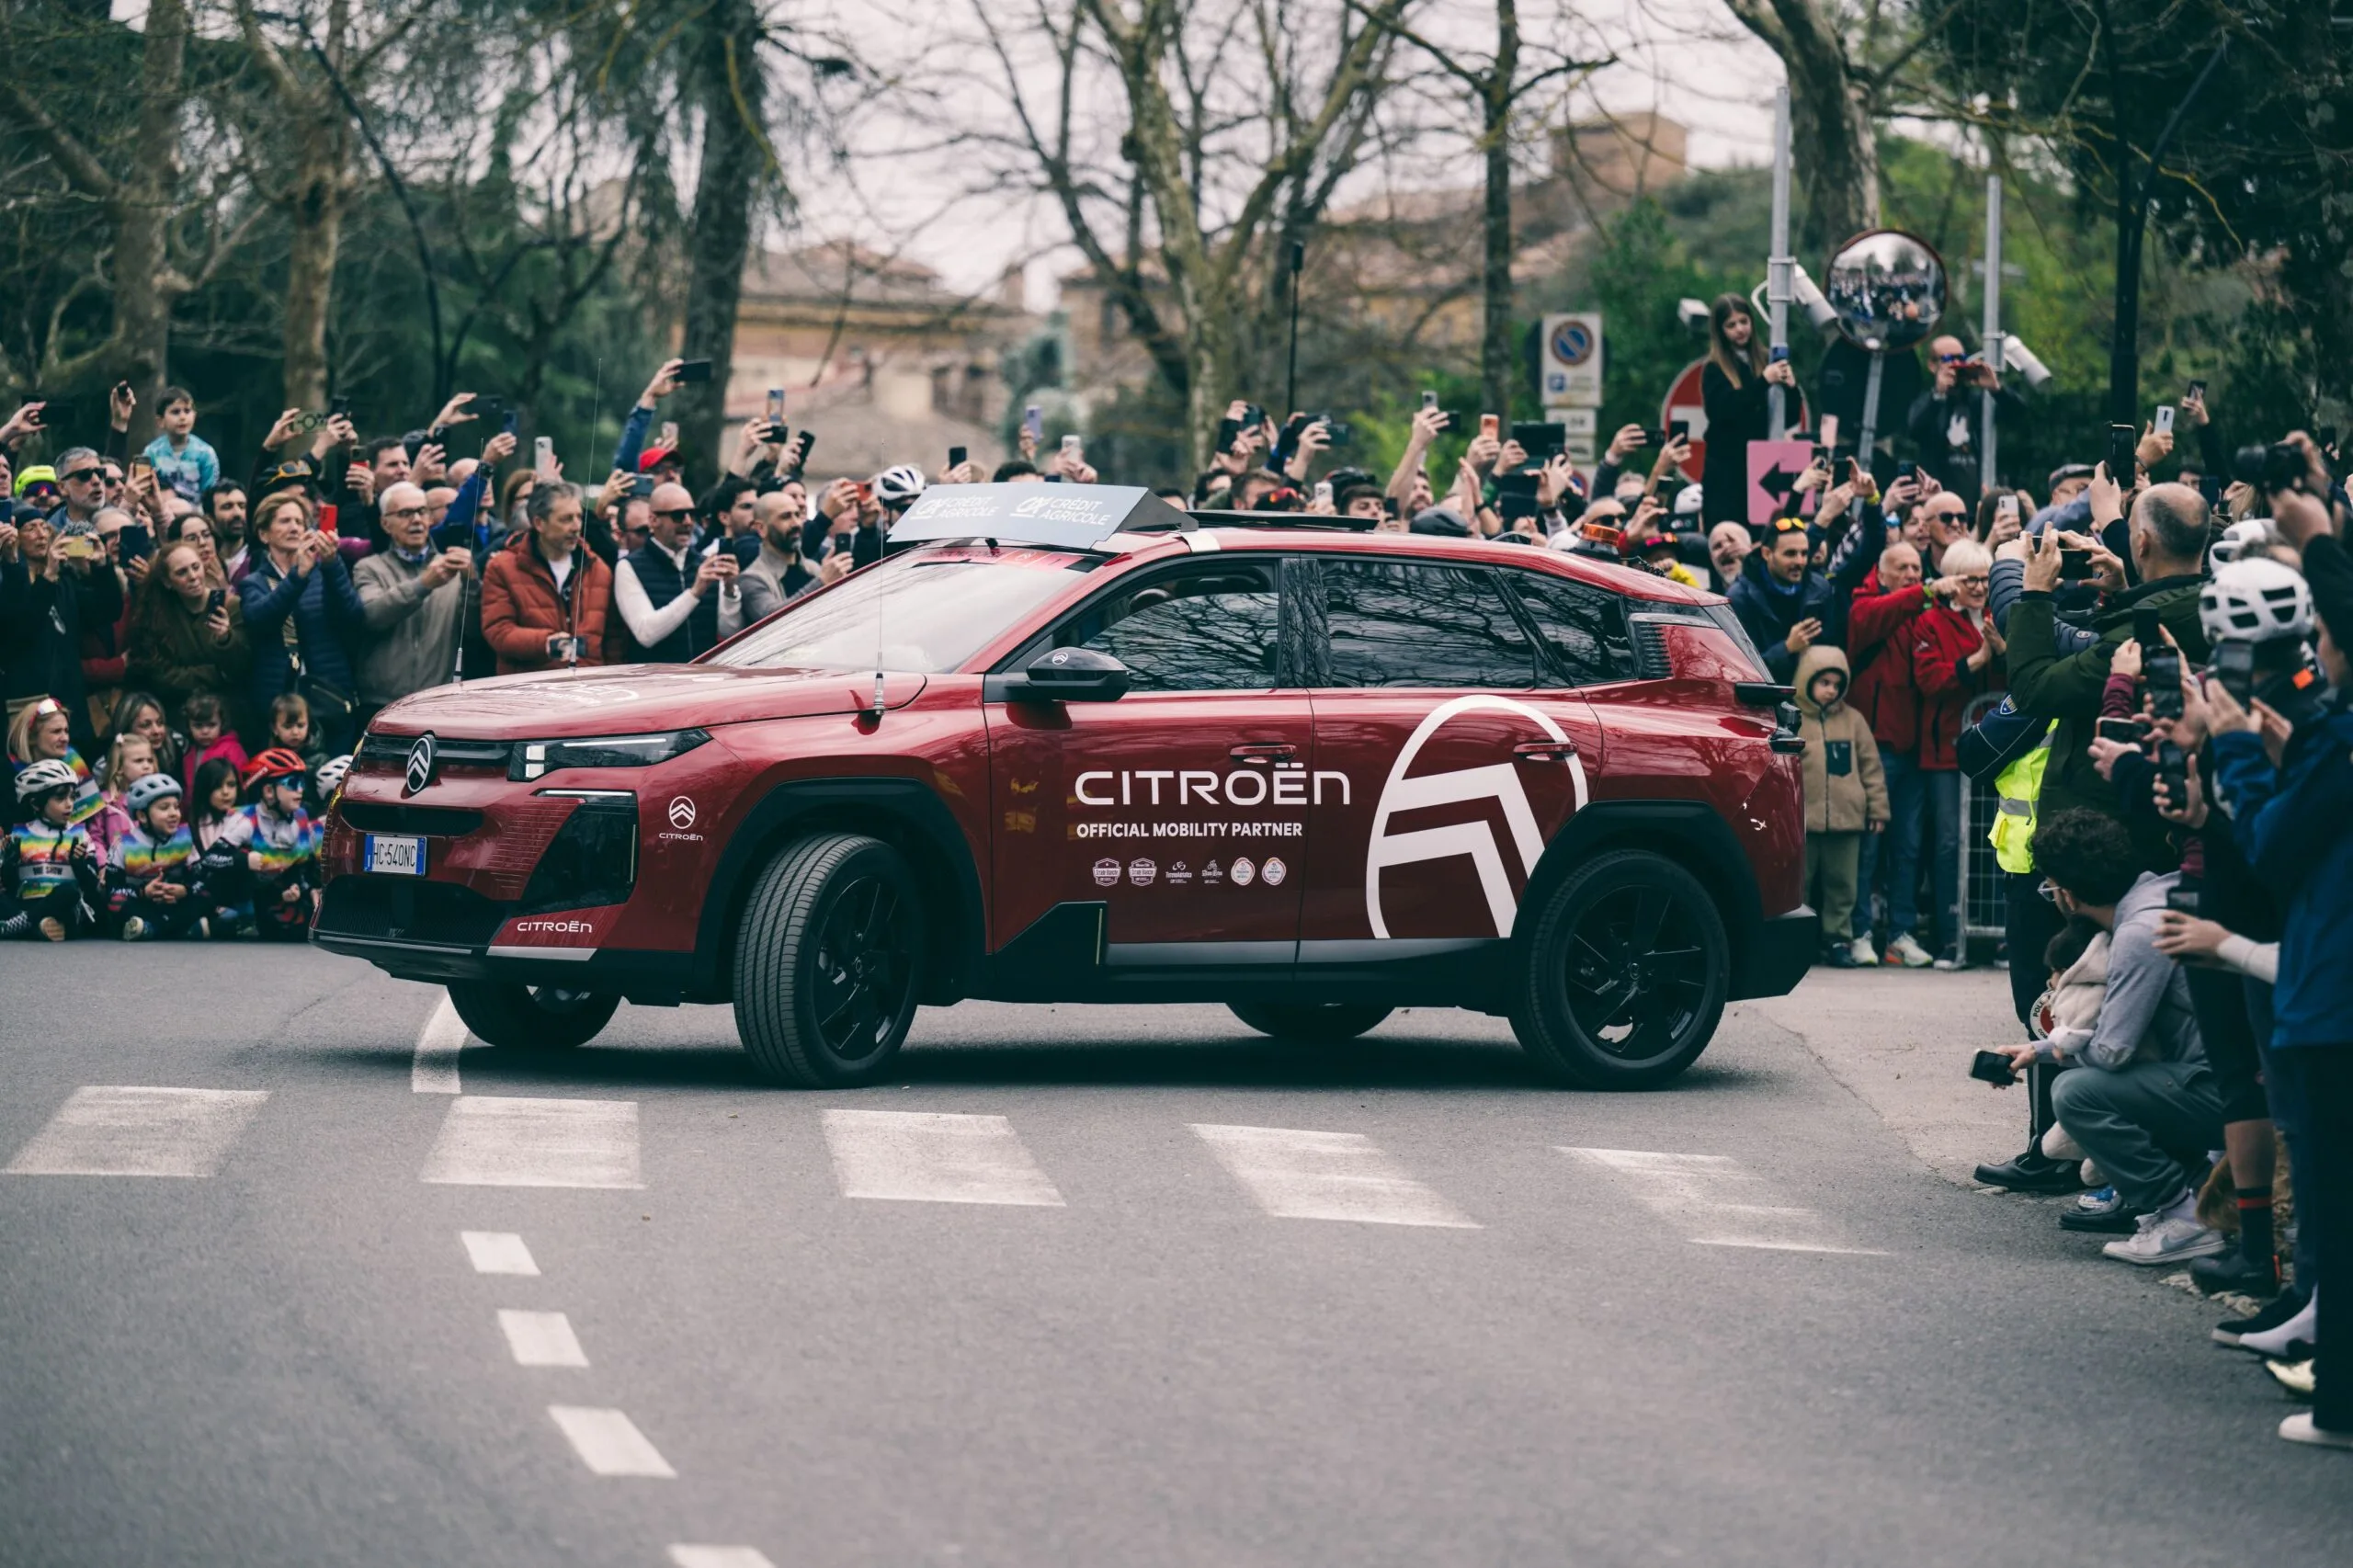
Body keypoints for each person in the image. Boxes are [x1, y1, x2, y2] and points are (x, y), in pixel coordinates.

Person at [1996, 808, 2221, 1266]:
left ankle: (2183, 1214)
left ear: (2069, 895)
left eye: (2050, 887)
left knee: (2079, 1094)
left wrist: (2057, 1049)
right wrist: (2041, 1050)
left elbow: (2112, 1052)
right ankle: (2198, 1192)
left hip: (2222, 1090)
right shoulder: (2162, 889)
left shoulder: (2138, 933)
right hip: (2235, 1078)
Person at [2005, 478, 2212, 869]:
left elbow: (2035, 688)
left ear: (2142, 543)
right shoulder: (2208, 606)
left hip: (2108, 842)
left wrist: (2033, 593)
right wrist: (2122, 594)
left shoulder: (2137, 635)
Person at [1909, 539, 2004, 967]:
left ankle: (1998, 935)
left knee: (1994, 841)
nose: (1980, 587)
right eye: (1971, 580)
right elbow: (1932, 681)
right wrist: (1981, 658)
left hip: (1994, 747)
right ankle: (1950, 937)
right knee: (1949, 844)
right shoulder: (1929, 623)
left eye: (1986, 579)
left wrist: (2002, 654)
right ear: (1953, 581)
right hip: (1945, 750)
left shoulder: (1995, 616)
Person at [237, 490, 367, 754]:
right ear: (264, 534)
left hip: (329, 695)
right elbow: (260, 619)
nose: (294, 527)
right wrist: (298, 576)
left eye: (299, 522)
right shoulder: (254, 583)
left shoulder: (324, 572)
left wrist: (331, 565)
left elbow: (353, 615)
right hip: (278, 701)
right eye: (284, 521)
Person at [0, 510, 126, 754]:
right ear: (15, 536)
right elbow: (22, 629)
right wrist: (47, 577)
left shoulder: (64, 581)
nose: (41, 534)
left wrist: (102, 567)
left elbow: (106, 613)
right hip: (29, 707)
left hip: (71, 704)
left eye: (44, 527)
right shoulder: (11, 583)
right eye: (31, 529)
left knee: (81, 784)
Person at [1794, 644, 1888, 966]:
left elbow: (1871, 766)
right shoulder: (1791, 717)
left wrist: (1877, 809)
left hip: (1847, 820)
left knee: (1842, 885)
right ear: (1806, 680)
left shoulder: (1853, 720)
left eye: (1836, 684)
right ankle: (1798, 942)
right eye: (1824, 683)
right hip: (1802, 819)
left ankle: (1838, 940)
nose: (1831, 690)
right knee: (1798, 884)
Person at [352, 481, 474, 718]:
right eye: (405, 514)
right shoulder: (369, 568)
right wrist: (423, 585)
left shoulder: (454, 567)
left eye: (421, 511)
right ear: (385, 524)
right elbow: (373, 615)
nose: (416, 520)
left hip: (437, 701)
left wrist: (474, 584)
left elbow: (474, 632)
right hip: (382, 704)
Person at [480, 481, 617, 676]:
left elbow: (615, 640)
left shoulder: (598, 569)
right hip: (530, 689)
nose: (576, 526)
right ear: (539, 523)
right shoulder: (502, 568)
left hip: (590, 690)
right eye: (566, 519)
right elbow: (498, 631)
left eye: (579, 517)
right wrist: (547, 643)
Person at [614, 481, 745, 661]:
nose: (688, 522)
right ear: (653, 520)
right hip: (655, 682)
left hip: (705, 680)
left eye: (692, 514)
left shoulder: (705, 563)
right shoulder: (629, 567)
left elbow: (730, 632)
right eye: (678, 515)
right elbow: (646, 634)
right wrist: (694, 593)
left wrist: (731, 591)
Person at [126, 542, 250, 727]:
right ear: (167, 582)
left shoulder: (230, 606)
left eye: (195, 567)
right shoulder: (157, 615)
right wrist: (215, 674)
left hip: (228, 716)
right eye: (181, 572)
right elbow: (161, 676)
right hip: (179, 717)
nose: (193, 577)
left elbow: (242, 666)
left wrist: (225, 639)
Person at [1699, 293, 1796, 527]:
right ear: (1721, 330)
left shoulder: (1764, 360)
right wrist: (1763, 381)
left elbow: (1788, 417)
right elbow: (1725, 410)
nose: (1740, 329)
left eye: (1744, 321)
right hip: (1727, 474)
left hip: (1764, 468)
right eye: (1731, 325)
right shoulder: (1714, 369)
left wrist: (1792, 389)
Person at [1904, 336, 2023, 507]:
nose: (1955, 365)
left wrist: (1996, 389)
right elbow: (1914, 430)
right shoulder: (1927, 402)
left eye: (1960, 359)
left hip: (1978, 501)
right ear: (1932, 365)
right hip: (1939, 502)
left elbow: (2019, 415)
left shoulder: (1978, 401)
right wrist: (1939, 394)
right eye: (1948, 359)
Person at [218, 748, 322, 940]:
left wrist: (297, 887)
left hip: (276, 890)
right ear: (268, 791)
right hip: (246, 892)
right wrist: (243, 859)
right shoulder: (246, 819)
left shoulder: (302, 815)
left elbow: (301, 867)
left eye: (301, 782)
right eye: (291, 783)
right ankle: (240, 919)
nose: (299, 789)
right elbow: (211, 859)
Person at [1728, 515, 1837, 683]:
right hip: (1764, 699)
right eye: (1790, 554)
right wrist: (1787, 648)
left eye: (1804, 553)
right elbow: (1740, 669)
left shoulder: (1820, 589)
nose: (1800, 561)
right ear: (1767, 553)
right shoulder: (1740, 599)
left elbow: (1833, 646)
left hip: (1811, 695)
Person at [1, 758, 101, 940]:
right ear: (35, 803)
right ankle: (37, 927)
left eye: (72, 796)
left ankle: (16, 926)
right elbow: (9, 885)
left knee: (68, 891)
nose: (69, 804)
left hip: (65, 909)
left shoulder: (81, 835)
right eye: (60, 797)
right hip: (28, 904)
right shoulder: (18, 835)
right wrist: (10, 863)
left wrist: (79, 865)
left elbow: (93, 887)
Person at [106, 773, 205, 941]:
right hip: (142, 903)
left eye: (176, 806)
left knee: (205, 898)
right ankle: (177, 929)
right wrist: (143, 893)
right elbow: (111, 890)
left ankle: (152, 929)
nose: (174, 813)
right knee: (118, 904)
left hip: (174, 904)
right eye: (164, 808)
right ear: (142, 816)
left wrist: (185, 891)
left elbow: (201, 881)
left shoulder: (185, 838)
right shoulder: (123, 843)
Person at [6, 696, 102, 826]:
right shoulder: (7, 771)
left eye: (66, 731)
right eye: (56, 732)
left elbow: (94, 825)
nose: (65, 738)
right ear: (31, 738)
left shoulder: (73, 761)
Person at [736, 486, 818, 616]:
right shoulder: (752, 578)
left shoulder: (814, 569)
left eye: (797, 515)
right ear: (761, 528)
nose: (796, 523)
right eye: (786, 517)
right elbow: (771, 617)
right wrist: (821, 584)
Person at [142, 386, 221, 506]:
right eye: (175, 412)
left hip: (196, 515)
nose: (183, 417)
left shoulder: (205, 453)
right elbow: (144, 490)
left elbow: (210, 493)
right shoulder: (151, 452)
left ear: (194, 416)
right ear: (160, 421)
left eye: (187, 411)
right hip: (161, 512)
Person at [178, 691, 246, 801]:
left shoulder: (232, 749)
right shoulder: (188, 752)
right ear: (188, 726)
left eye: (211, 725)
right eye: (198, 726)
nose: (205, 731)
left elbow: (242, 783)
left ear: (222, 723)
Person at [202, 481, 250, 580]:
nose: (237, 513)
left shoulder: (261, 558)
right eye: (227, 507)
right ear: (209, 519)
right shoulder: (202, 562)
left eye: (242, 506)